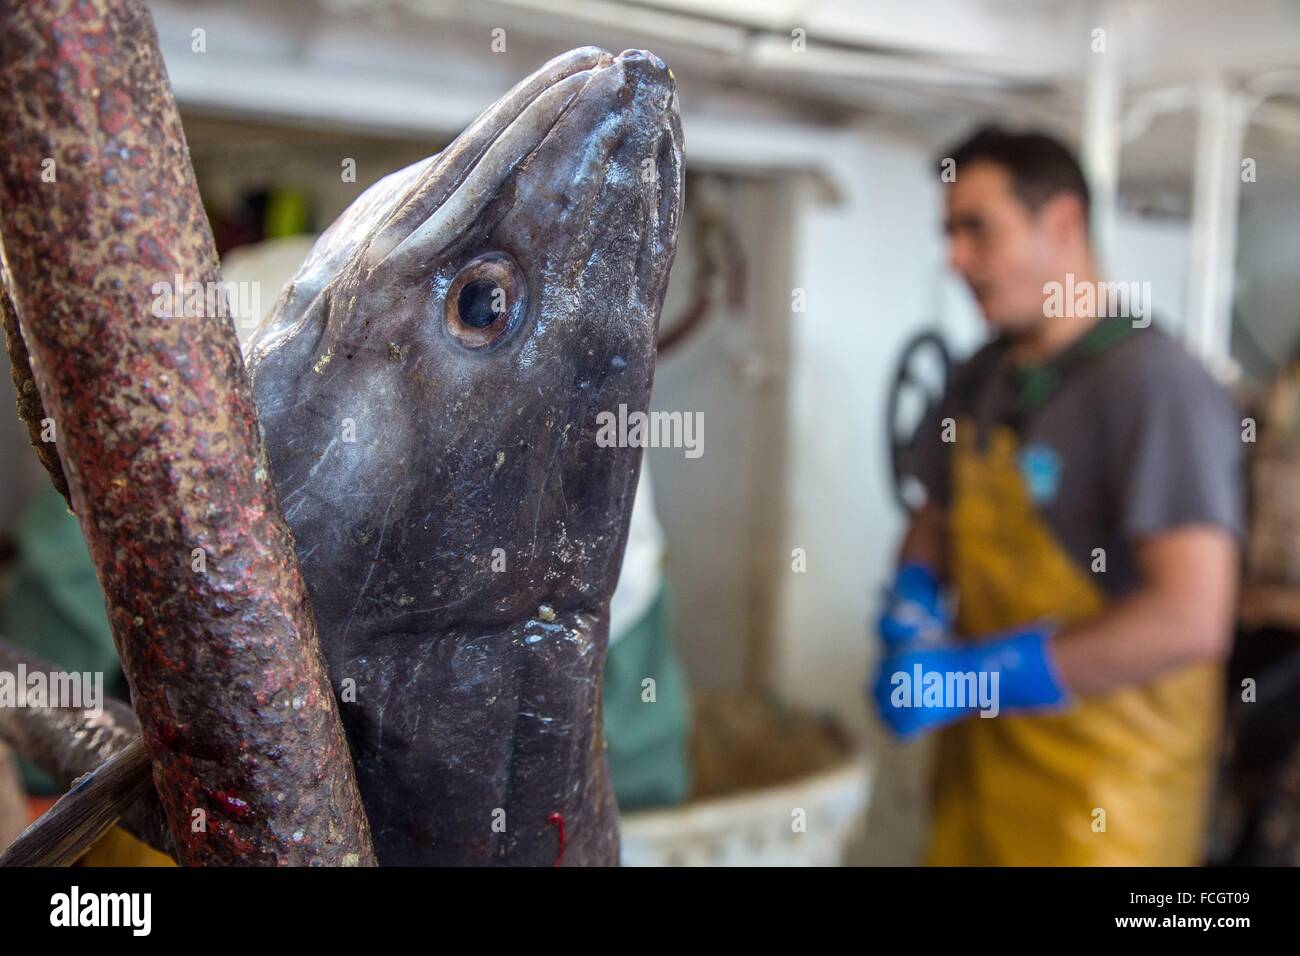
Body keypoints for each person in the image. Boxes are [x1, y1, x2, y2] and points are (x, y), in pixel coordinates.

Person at [872, 126, 1244, 865]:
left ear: (1064, 224)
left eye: (977, 229)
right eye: (949, 233)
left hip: (1104, 802)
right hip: (980, 780)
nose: (954, 259)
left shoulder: (1154, 386)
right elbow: (936, 515)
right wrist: (911, 597)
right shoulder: (982, 376)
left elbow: (1191, 618)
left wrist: (980, 677)